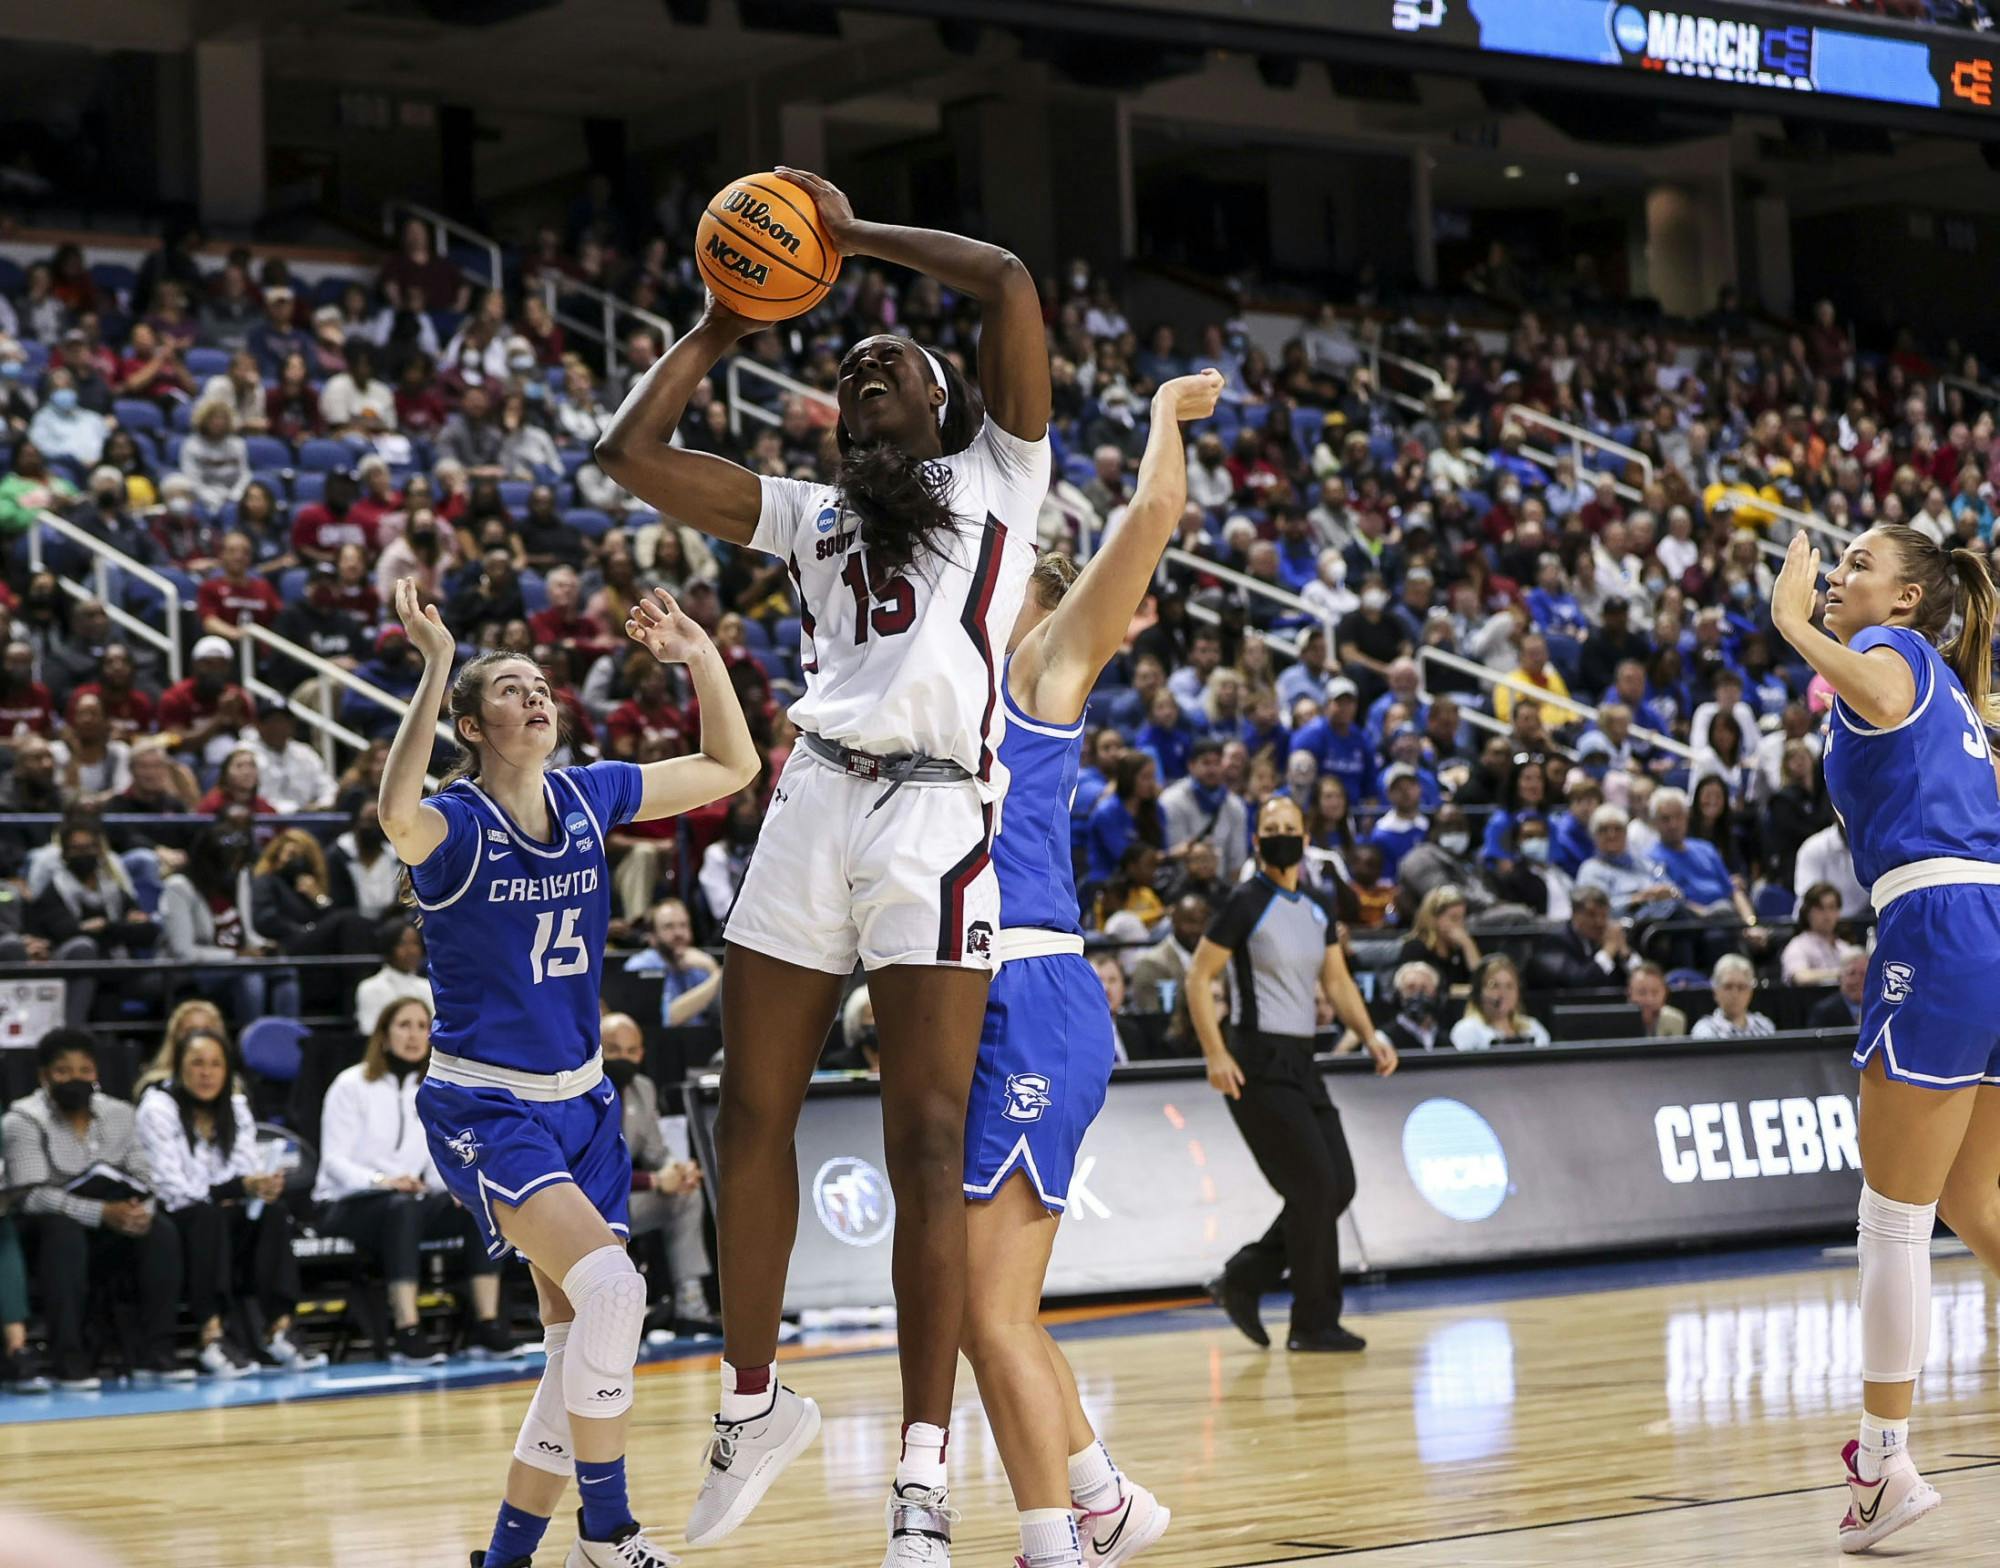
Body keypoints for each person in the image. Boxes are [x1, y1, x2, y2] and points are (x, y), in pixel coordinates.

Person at [594, 165, 1051, 1562]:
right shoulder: (809, 515)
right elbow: (629, 453)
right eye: (847, 369)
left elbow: (1011, 284)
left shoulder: (1000, 474)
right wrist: (729, 319)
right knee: (748, 1115)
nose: (861, 375)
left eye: (889, 366)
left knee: (924, 1140)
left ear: (944, 406)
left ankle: (922, 1476)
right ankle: (749, 1404)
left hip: (933, 819)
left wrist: (851, 241)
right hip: (813, 798)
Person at [380, 570, 758, 1568]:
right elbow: (393, 811)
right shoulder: (453, 825)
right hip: (487, 1106)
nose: (535, 694)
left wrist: (701, 653)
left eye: (539, 683)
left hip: (583, 1106)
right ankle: (608, 1529)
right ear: (470, 724)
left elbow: (731, 760)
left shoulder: (589, 796)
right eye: (507, 689)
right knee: (612, 1294)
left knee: (574, 1344)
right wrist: (439, 666)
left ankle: (505, 1557)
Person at [955, 370, 1218, 1568]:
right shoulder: (952, 694)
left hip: (1032, 990)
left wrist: (1161, 419)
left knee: (987, 1308)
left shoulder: (1042, 669)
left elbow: (1148, 522)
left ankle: (1054, 1538)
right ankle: (1100, 1495)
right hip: (985, 997)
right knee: (985, 1304)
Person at [1770, 524, 2000, 1550]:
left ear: (1906, 601)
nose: (1835, 574)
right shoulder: (1951, 692)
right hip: (1984, 919)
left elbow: (1855, 688)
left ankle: (1880, 1457)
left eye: (1858, 564)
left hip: (1938, 925)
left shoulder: (1898, 658)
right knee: (1971, 1198)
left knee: (1891, 1215)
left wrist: (1785, 620)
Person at [1188, 795, 1399, 1356]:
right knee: (1311, 1187)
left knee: (1339, 1185)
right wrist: (1215, 1053)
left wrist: (1371, 1033)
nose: (1280, 835)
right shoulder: (1244, 902)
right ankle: (1313, 1322)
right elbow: (1198, 977)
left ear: (1306, 840)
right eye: (1270, 828)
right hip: (1255, 1061)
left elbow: (1338, 984)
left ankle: (1246, 1278)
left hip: (1302, 1061)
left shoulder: (1316, 906)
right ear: (1257, 841)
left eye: (1289, 828)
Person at [312, 997, 507, 1364]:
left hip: (408, 1200)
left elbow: (438, 1157)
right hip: (345, 1203)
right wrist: (381, 1180)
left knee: (477, 1204)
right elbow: (334, 1161)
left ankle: (488, 1322)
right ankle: (408, 1328)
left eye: (422, 1026)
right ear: (383, 1035)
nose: (415, 1035)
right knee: (402, 1209)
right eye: (404, 1025)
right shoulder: (351, 1084)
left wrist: (453, 1187)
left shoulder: (435, 1092)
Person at [2, 1029, 185, 1388]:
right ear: (44, 1076)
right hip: (45, 1237)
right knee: (62, 1231)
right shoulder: (21, 1120)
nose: (76, 1079)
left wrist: (137, 1211)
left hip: (111, 1228)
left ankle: (157, 1353)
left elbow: (146, 1178)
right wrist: (100, 1213)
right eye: (63, 1071)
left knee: (160, 1230)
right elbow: (30, 1197)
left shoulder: (120, 1114)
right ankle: (69, 1360)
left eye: (85, 1070)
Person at [134, 1028, 322, 1375]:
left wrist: (260, 1187)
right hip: (175, 1221)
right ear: (178, 1069)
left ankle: (280, 1329)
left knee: (273, 1212)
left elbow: (246, 1168)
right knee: (206, 1216)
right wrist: (234, 1189)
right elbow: (173, 1188)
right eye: (197, 1064)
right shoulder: (157, 1108)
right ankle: (212, 1336)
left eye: (216, 1065)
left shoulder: (235, 1106)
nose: (207, 1073)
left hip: (224, 1215)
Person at [599, 1013, 713, 1332]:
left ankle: (691, 1305)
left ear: (642, 1054)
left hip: (624, 1204)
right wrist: (653, 1181)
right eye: (613, 1050)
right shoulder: (579, 1094)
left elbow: (655, 1153)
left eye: (631, 1051)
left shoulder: (643, 1088)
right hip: (585, 1208)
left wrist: (677, 1171)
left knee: (687, 1197)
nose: (624, 1059)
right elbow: (587, 1171)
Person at [621, 898, 722, 1028]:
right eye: (669, 927)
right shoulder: (639, 966)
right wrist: (715, 974)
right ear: (652, 937)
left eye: (683, 925)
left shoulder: (698, 963)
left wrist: (711, 969)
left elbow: (726, 1014)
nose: (678, 933)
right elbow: (668, 1017)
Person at [1450, 955, 1552, 1051]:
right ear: (1478, 992)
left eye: (1509, 986)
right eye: (1494, 986)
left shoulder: (1533, 1028)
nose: (1503, 994)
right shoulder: (1467, 1030)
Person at [1396, 884, 1480, 993]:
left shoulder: (1458, 951)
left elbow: (1480, 984)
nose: (1460, 925)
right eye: (1454, 918)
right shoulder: (1415, 948)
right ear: (1433, 919)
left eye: (1462, 918)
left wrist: (1468, 945)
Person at [354, 920, 434, 1034]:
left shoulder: (428, 987)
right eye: (402, 944)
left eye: (415, 943)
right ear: (388, 948)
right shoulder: (370, 988)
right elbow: (370, 1031)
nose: (411, 951)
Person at [1782, 880, 1862, 986]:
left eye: (1832, 907)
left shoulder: (1843, 947)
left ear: (1838, 913)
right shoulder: (1797, 946)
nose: (1827, 915)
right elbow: (1800, 977)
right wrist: (1841, 974)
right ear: (1807, 912)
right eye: (1820, 908)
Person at [1689, 953, 1776, 1040]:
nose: (1735, 994)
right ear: (1715, 991)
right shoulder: (1704, 1031)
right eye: (1728, 987)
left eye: (1741, 987)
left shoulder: (1764, 1027)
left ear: (1750, 992)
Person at [1379, 960, 1444, 1052]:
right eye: (1410, 988)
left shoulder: (1448, 1039)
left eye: (1424, 988)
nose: (1417, 994)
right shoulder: (1383, 1039)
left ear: (1436, 995)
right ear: (1398, 995)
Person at [1809, 949, 1870, 1031]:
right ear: (1840, 977)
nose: (1858, 980)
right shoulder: (1824, 1012)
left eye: (1863, 974)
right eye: (1852, 973)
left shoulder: (1881, 1008)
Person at [1628, 962, 1688, 1038]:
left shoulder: (1675, 1020)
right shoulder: (1618, 1022)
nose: (1649, 1000)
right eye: (1642, 992)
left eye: (1655, 992)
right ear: (1629, 994)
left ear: (1665, 993)